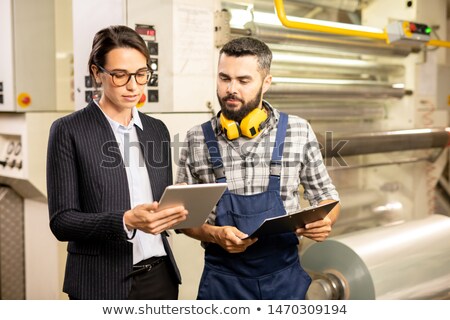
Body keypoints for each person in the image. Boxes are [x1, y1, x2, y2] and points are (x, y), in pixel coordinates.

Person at [176, 37, 340, 300]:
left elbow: (326, 196)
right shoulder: (197, 138)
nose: (231, 89)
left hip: (284, 283)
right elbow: (183, 219)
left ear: (266, 83)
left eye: (243, 80)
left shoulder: (297, 130)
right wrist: (214, 234)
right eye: (224, 78)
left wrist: (325, 221)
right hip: (223, 284)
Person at [46, 25, 188, 300]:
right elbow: (62, 221)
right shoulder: (69, 130)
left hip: (160, 277)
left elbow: (159, 206)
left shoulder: (157, 130)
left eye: (141, 74)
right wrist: (124, 220)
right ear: (97, 73)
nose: (133, 85)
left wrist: (177, 207)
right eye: (120, 75)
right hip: (100, 282)